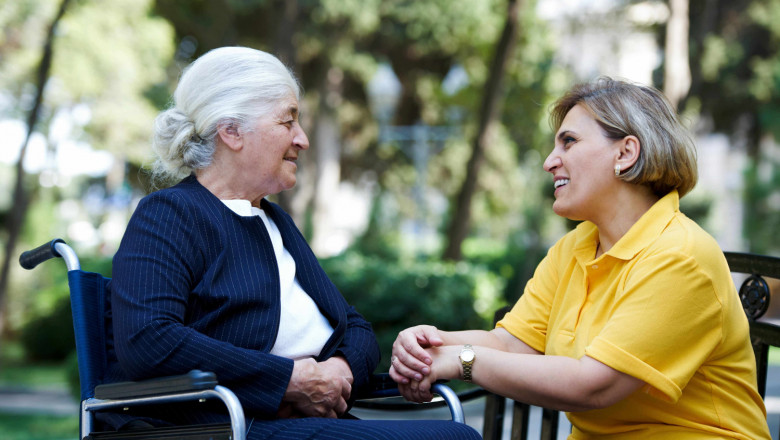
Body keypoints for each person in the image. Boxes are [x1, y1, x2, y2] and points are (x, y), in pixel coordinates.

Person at [102, 46, 480, 440]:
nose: (302, 139)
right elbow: (147, 341)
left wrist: (340, 371)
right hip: (225, 425)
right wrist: (289, 380)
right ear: (231, 131)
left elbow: (353, 326)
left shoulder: (275, 220)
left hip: (305, 420)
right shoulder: (170, 214)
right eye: (288, 121)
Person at [390, 77, 770, 439]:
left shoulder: (681, 256)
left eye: (568, 142)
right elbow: (510, 344)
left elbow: (593, 385)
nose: (549, 162)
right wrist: (431, 346)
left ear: (625, 152)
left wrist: (464, 359)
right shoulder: (577, 247)